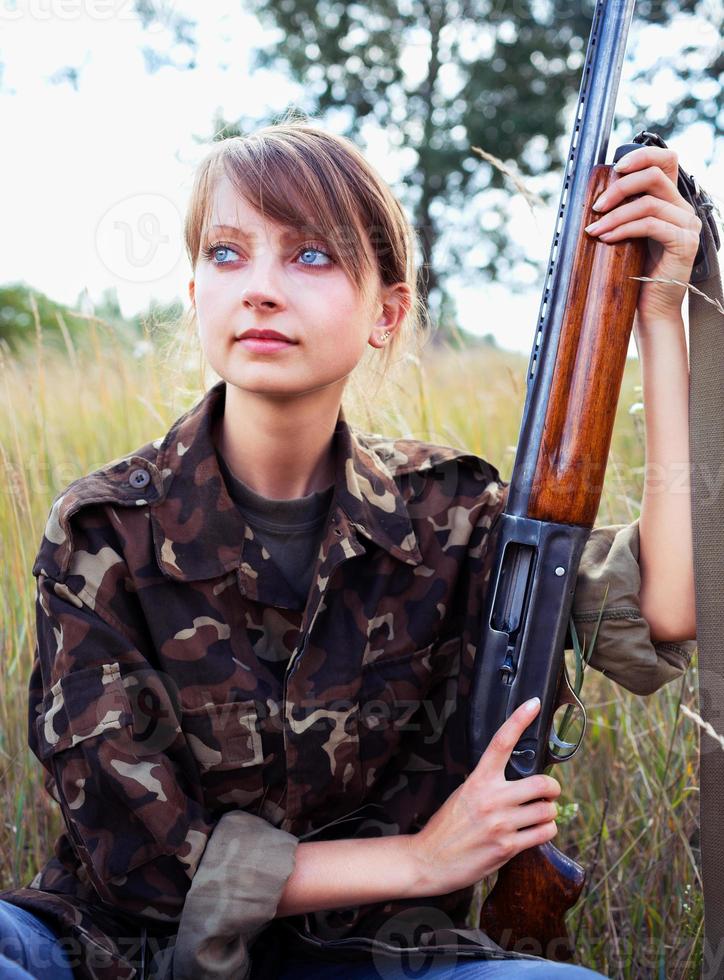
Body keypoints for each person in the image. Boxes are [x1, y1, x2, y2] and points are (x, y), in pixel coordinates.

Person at [0, 120, 700, 980]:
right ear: (192, 294)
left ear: (388, 313)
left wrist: (660, 316)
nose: (259, 289)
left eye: (311, 256)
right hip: (121, 953)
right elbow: (140, 864)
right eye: (227, 254)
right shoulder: (102, 531)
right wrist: (421, 861)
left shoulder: (452, 514)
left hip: (381, 958)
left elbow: (672, 603)